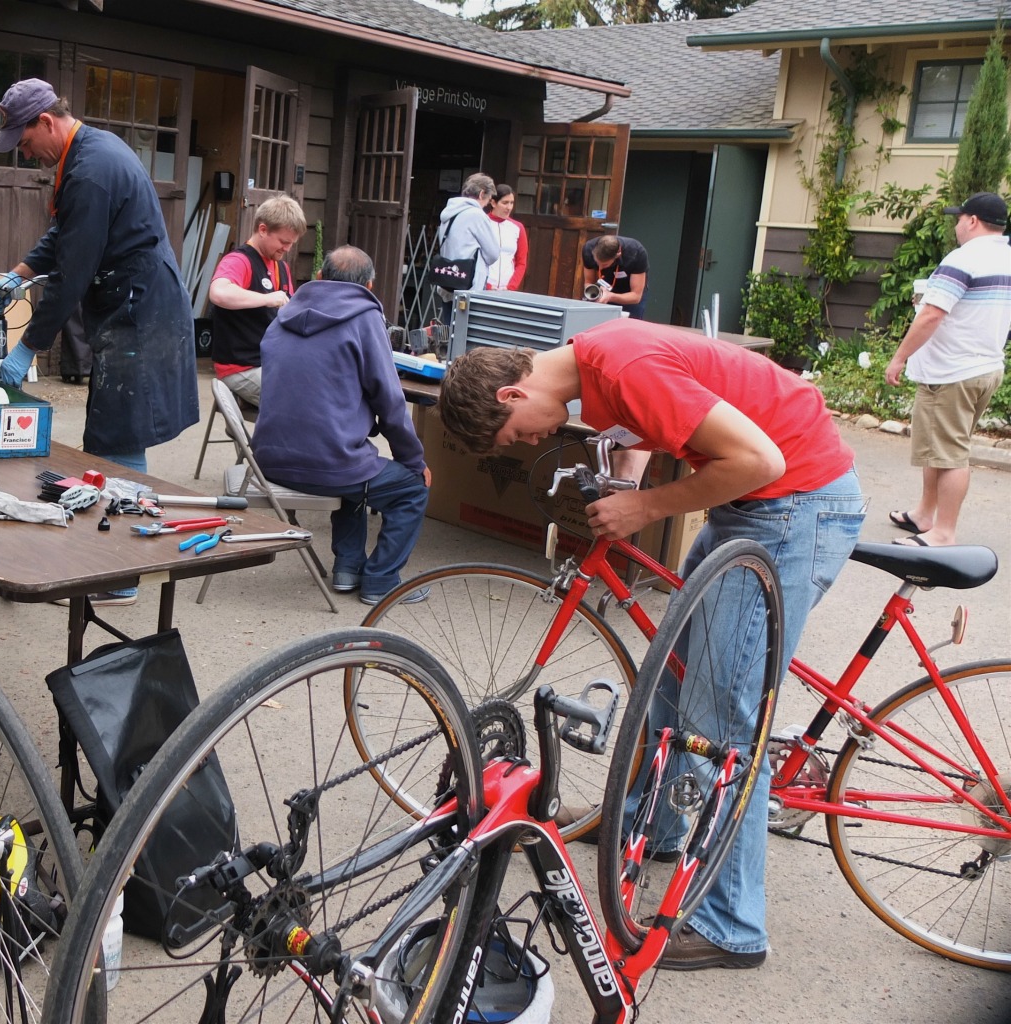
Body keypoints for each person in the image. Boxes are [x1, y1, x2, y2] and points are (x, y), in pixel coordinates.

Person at [438, 317, 864, 971]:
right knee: (671, 674)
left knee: (720, 721)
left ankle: (732, 926)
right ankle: (653, 826)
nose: (533, 439)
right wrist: (632, 486)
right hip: (756, 502)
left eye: (518, 434)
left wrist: (650, 506)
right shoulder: (593, 366)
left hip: (794, 500)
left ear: (511, 395)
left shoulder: (620, 368)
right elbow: (658, 425)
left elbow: (761, 461)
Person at [0, 77, 198, 606]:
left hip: (138, 309)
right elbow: (64, 234)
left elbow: (73, 272)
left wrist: (26, 347)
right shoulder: (84, 155)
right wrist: (19, 271)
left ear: (46, 121)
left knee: (117, 440)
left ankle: (122, 573)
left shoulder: (91, 171)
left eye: (25, 139)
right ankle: (124, 561)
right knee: (116, 437)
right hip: (133, 303)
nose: (24, 151)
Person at [251, 246, 431, 606]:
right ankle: (381, 581)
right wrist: (415, 461)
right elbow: (391, 403)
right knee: (409, 488)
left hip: (269, 461)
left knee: (358, 460)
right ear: (369, 285)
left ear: (319, 277)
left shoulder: (282, 317)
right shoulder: (364, 318)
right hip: (331, 466)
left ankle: (348, 569)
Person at [883, 191, 1011, 547]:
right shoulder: (1007, 257)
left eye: (958, 219)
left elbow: (933, 314)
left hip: (952, 372)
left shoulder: (964, 258)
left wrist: (899, 357)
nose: (956, 226)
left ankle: (943, 531)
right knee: (941, 447)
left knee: (951, 453)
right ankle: (924, 513)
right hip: (986, 366)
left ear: (972, 221)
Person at [206, 194, 306, 407]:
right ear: (262, 229)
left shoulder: (281, 267)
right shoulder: (238, 260)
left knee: (324, 389)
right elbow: (218, 293)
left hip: (272, 363)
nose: (287, 249)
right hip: (241, 367)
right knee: (304, 403)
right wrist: (266, 299)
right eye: (283, 241)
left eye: (291, 243)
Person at [435, 173, 504, 323]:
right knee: (464, 338)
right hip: (468, 287)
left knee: (449, 335)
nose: (486, 205)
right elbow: (493, 254)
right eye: (487, 199)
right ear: (481, 194)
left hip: (448, 282)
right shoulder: (476, 215)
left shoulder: (449, 213)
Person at [582, 234, 649, 319]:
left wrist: (610, 296)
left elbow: (636, 296)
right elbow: (588, 282)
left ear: (618, 255)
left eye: (604, 264)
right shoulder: (588, 249)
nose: (600, 267)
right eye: (597, 262)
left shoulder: (636, 252)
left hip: (629, 292)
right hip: (604, 288)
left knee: (629, 327)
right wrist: (593, 295)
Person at [484, 184, 528, 291]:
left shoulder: (518, 227)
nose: (509, 207)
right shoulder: (482, 222)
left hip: (507, 290)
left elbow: (521, 262)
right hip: (482, 287)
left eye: (511, 203)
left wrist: (510, 287)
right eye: (505, 203)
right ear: (493, 202)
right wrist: (487, 285)